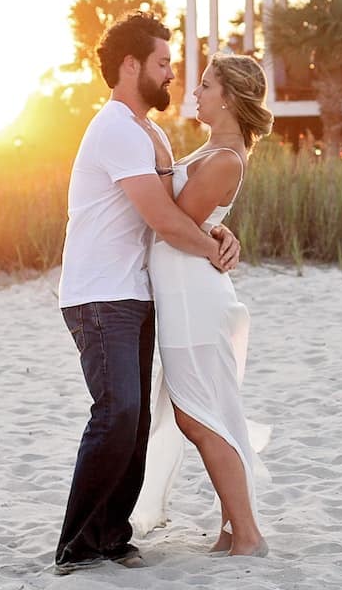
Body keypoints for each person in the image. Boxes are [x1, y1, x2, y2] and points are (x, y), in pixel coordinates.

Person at [54, 13, 242, 576]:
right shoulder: (113, 127)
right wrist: (210, 250)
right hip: (98, 295)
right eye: (163, 63)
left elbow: (182, 209)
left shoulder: (150, 133)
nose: (171, 74)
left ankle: (111, 536)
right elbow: (161, 219)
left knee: (133, 423)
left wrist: (217, 231)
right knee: (118, 413)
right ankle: (77, 545)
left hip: (134, 293)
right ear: (131, 66)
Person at [131, 53, 273, 558]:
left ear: (230, 97)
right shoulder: (213, 152)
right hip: (184, 294)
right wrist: (217, 231)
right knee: (204, 412)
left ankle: (248, 534)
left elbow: (173, 222)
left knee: (199, 416)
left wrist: (156, 147)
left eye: (207, 85)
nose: (196, 92)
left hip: (194, 298)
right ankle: (233, 529)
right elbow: (196, 222)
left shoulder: (226, 159)